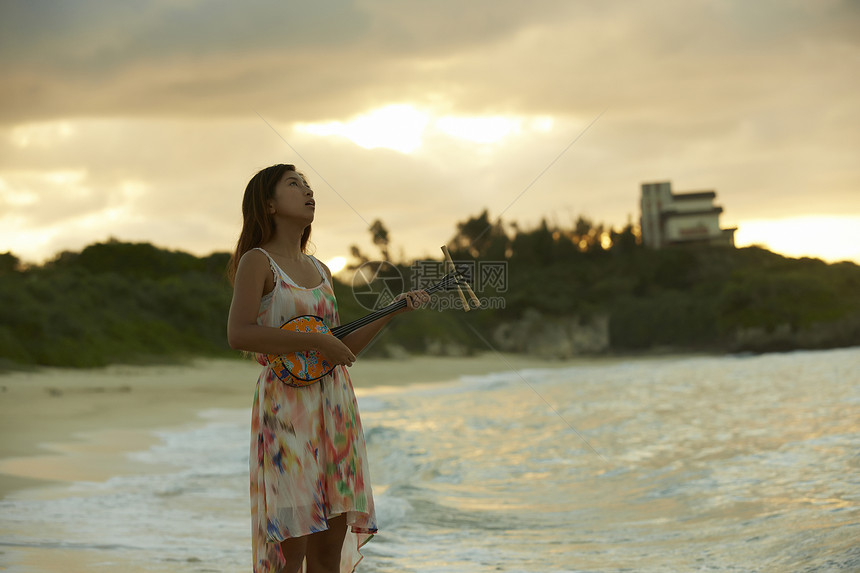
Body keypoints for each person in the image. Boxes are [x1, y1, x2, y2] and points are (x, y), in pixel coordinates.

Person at [226, 164, 429, 573]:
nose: (307, 191)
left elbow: (340, 349)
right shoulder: (257, 262)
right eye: (294, 185)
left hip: (334, 407)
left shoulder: (321, 271)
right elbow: (240, 334)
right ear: (268, 203)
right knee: (291, 547)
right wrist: (314, 341)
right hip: (286, 410)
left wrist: (391, 312)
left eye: (308, 185)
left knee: (328, 550)